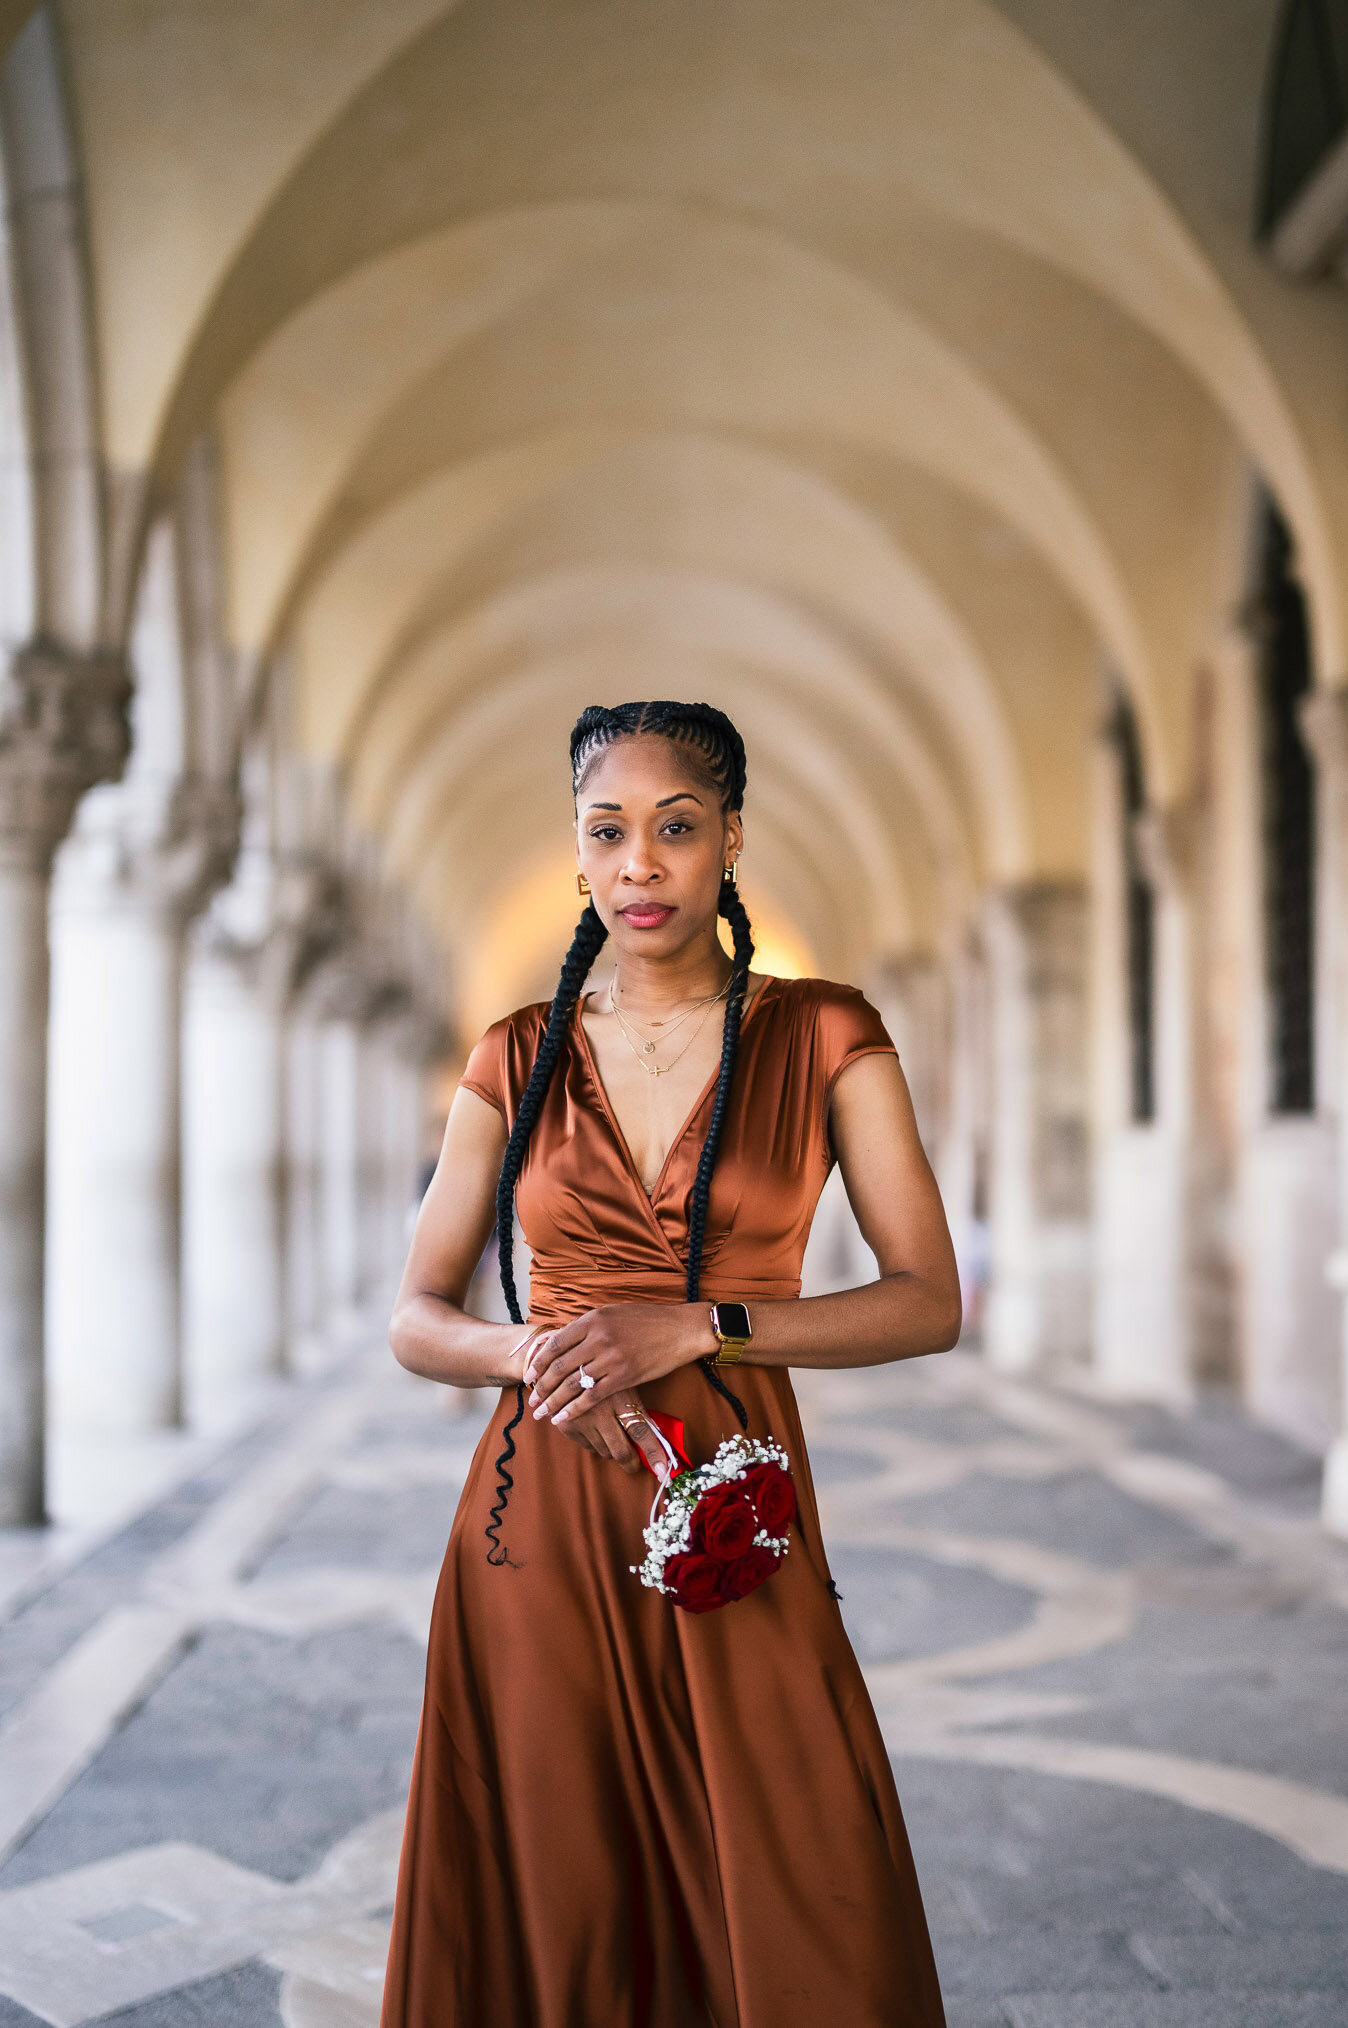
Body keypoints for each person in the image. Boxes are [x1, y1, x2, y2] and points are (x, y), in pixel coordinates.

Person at [380, 699, 960, 2028]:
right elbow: (416, 1315)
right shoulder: (513, 1054)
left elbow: (928, 1300)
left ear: (730, 843)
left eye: (676, 828)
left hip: (736, 1510)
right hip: (540, 1522)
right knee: (562, 1883)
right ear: (579, 854)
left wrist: (707, 1324)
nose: (640, 863)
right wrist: (529, 1350)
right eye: (608, 831)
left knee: (799, 1860)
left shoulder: (826, 1035)